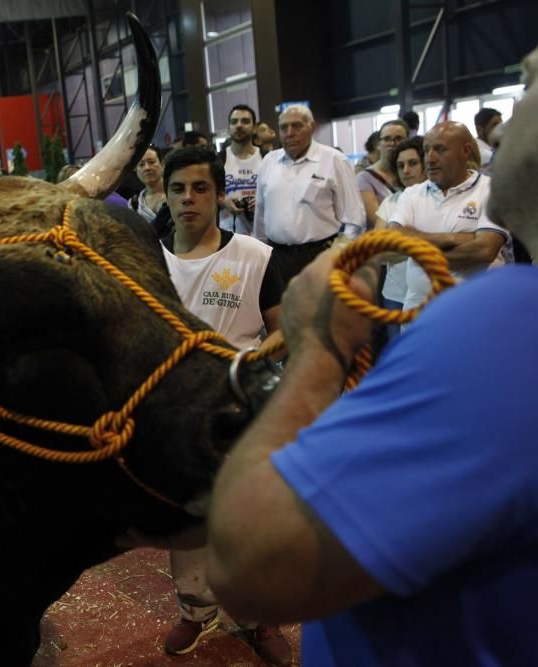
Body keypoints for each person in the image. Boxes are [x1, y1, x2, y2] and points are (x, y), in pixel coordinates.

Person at [204, 45, 538, 667]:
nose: (518, 96)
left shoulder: (505, 320)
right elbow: (396, 238)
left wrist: (318, 349)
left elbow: (247, 561)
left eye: (534, 84)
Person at [155, 146, 289, 665]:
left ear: (218, 193)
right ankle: (195, 611)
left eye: (200, 188)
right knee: (187, 520)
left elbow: (281, 331)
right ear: (165, 195)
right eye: (178, 189)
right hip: (172, 414)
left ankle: (258, 617)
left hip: (240, 410)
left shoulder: (255, 256)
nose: (189, 198)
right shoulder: (147, 257)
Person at [388, 121, 508, 312]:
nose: (430, 158)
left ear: (465, 151)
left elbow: (484, 251)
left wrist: (417, 251)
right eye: (427, 150)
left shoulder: (491, 189)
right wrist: (455, 238)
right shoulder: (412, 194)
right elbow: (392, 239)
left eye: (440, 149)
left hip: (478, 309)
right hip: (419, 313)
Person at [253, 104, 364, 288]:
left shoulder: (334, 160)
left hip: (320, 256)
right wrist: (260, 252)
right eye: (283, 128)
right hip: (276, 258)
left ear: (311, 127)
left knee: (321, 314)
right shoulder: (268, 162)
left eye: (296, 126)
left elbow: (354, 218)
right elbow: (260, 213)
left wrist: (338, 254)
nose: (289, 133)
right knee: (283, 315)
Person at [373, 136, 426, 340]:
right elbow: (376, 251)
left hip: (428, 293)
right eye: (401, 165)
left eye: (413, 163)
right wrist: (421, 245)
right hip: (395, 295)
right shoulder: (390, 201)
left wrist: (396, 246)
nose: (406, 170)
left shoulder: (436, 199)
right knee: (399, 356)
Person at [355, 120, 409, 229]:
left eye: (399, 139)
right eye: (387, 139)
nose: (393, 143)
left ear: (408, 141)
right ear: (378, 144)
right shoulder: (364, 178)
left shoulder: (411, 172)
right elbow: (376, 221)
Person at [219, 104, 263, 235]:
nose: (239, 125)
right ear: (229, 127)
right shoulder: (219, 159)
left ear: (254, 128)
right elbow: (207, 193)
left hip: (262, 235)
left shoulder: (267, 157)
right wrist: (223, 202)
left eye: (245, 121)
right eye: (234, 122)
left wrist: (262, 203)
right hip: (229, 234)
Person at [130, 145, 167, 222]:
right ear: (135, 169)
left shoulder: (178, 193)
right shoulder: (134, 204)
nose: (147, 168)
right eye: (141, 164)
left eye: (151, 162)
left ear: (162, 164)